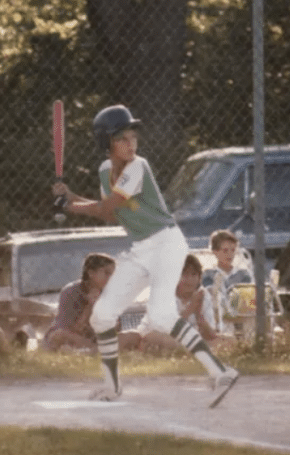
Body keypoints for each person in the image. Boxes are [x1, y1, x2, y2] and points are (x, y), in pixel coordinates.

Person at [52, 104, 238, 408]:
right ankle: (112, 388)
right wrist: (69, 197)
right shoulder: (104, 171)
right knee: (102, 314)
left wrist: (69, 205)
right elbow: (112, 216)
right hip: (141, 248)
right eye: (122, 138)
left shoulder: (138, 166)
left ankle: (221, 372)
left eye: (133, 136)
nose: (131, 143)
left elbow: (107, 207)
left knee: (163, 315)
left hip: (166, 243)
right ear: (107, 143)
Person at [43, 253, 115, 353]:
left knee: (132, 335)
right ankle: (94, 352)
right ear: (91, 273)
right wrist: (90, 306)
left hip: (96, 341)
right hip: (73, 338)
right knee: (58, 335)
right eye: (107, 273)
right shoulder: (70, 292)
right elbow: (71, 329)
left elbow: (114, 331)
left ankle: (90, 352)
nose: (111, 278)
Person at [201, 229, 254, 338]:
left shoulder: (242, 273)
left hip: (242, 310)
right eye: (225, 251)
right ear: (215, 252)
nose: (230, 254)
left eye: (233, 250)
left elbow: (248, 294)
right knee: (217, 306)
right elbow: (212, 295)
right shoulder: (209, 274)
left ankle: (248, 342)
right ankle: (227, 339)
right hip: (219, 312)